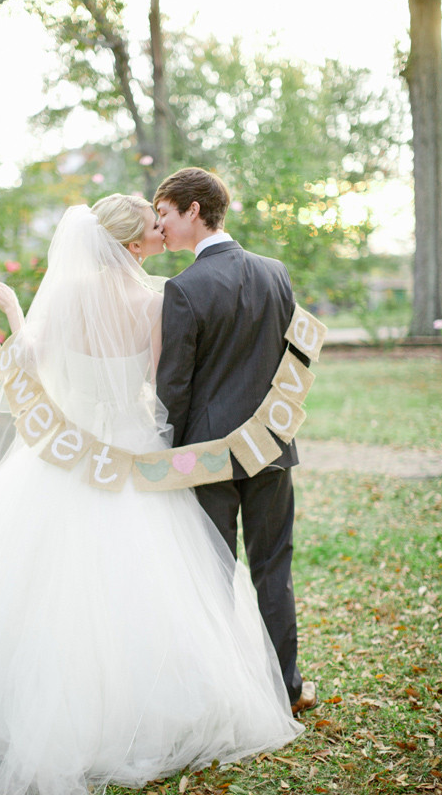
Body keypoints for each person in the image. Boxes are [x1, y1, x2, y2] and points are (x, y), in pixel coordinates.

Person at [0, 195, 302, 795]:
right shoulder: (155, 299)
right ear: (132, 246)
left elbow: (26, 363)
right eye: (152, 226)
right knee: (156, 582)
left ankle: (22, 708)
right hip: (130, 453)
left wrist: (18, 312)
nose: (159, 230)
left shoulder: (67, 296)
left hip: (67, 457)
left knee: (33, 583)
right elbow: (161, 385)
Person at [153, 167, 317, 715]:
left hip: (207, 458)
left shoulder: (184, 288)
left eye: (166, 215)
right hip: (270, 447)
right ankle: (287, 690)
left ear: (193, 211)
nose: (163, 226)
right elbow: (288, 358)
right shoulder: (277, 273)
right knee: (274, 568)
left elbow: (173, 386)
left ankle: (218, 697)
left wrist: (167, 454)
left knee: (210, 575)